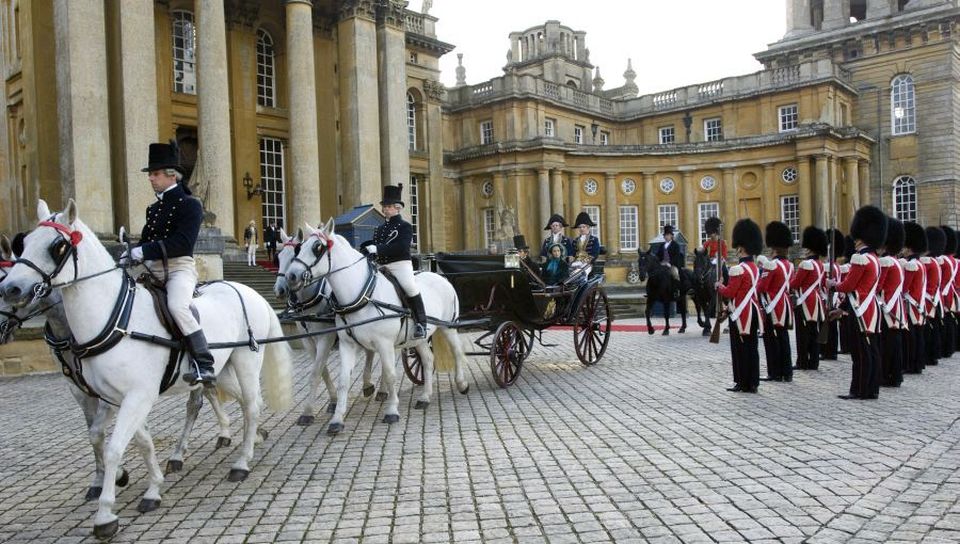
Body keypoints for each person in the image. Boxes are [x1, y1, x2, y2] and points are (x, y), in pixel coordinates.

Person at [126, 142, 215, 387]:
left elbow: (182, 243)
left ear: (171, 175)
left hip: (179, 269)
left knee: (177, 306)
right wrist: (130, 253)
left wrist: (143, 250)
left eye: (154, 174)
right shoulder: (153, 209)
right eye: (150, 175)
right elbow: (147, 241)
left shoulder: (190, 204)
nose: (150, 179)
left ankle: (204, 363)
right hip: (152, 271)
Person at [830, 205, 886, 400]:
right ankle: (870, 389)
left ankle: (860, 390)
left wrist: (833, 285)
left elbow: (848, 285)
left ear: (860, 237)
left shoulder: (860, 258)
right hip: (868, 308)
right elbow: (857, 288)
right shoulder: (874, 259)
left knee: (861, 354)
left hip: (861, 311)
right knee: (870, 351)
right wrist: (841, 308)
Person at [362, 184, 426, 339]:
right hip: (381, 266)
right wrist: (366, 248)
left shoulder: (405, 226)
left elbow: (402, 247)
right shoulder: (379, 229)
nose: (385, 209)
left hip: (399, 265)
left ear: (398, 208)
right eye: (384, 206)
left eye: (388, 206)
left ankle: (421, 324)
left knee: (410, 287)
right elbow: (375, 246)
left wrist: (378, 249)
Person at [716, 219, 764, 394]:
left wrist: (719, 286)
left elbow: (729, 293)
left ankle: (743, 382)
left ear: (741, 248)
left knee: (740, 349)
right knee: (752, 348)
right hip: (751, 310)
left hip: (741, 314)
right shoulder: (754, 268)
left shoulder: (738, 269)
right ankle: (753, 382)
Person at [757, 221, 794, 382]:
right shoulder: (790, 265)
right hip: (784, 305)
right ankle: (787, 371)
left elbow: (762, 287)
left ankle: (775, 372)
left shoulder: (771, 265)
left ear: (773, 248)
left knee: (771, 340)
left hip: (773, 306)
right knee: (783, 338)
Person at [791, 226, 827, 371]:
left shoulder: (806, 264)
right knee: (813, 332)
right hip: (816, 300)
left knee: (803, 333)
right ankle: (814, 361)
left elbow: (795, 283)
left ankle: (803, 361)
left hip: (805, 301)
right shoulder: (820, 265)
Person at [878, 217, 906, 387]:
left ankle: (887, 375)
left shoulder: (886, 261)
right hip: (895, 306)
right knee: (894, 343)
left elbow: (878, 285)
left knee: (887, 344)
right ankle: (895, 375)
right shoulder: (896, 261)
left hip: (886, 307)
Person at [901, 221, 928, 374]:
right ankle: (918, 364)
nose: (902, 250)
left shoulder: (911, 265)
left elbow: (904, 287)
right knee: (917, 335)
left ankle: (911, 365)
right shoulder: (920, 263)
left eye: (904, 248)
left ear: (909, 248)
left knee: (910, 337)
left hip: (911, 304)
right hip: (919, 303)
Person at [922, 226, 945, 367]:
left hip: (927, 298)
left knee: (929, 330)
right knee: (934, 328)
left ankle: (930, 356)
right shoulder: (935, 261)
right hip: (934, 297)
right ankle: (934, 355)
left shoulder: (928, 262)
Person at [821, 229, 845, 360]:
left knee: (829, 325)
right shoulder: (836, 265)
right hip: (833, 297)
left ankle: (829, 351)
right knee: (832, 326)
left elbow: (825, 283)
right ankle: (832, 351)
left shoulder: (829, 266)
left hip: (829, 297)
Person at [938, 225, 958, 359]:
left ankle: (946, 348)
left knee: (945, 322)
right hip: (952, 292)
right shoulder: (954, 260)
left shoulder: (943, 261)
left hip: (944, 292)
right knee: (950, 320)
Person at [569, 212, 601, 280]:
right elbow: (572, 252)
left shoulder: (594, 239)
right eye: (580, 227)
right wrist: (571, 258)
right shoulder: (575, 240)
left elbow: (595, 253)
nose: (581, 229)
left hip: (588, 264)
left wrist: (584, 261)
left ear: (588, 227)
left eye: (583, 227)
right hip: (576, 262)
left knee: (582, 273)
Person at [655, 224, 683, 297]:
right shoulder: (662, 245)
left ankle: (676, 290)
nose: (666, 237)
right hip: (662, 265)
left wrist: (669, 263)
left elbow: (676, 257)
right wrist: (660, 263)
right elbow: (658, 256)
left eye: (668, 235)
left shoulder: (675, 245)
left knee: (675, 273)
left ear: (671, 236)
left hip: (672, 265)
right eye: (665, 235)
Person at [702, 216, 728, 282]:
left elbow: (724, 256)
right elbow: (704, 255)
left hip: (720, 264)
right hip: (709, 264)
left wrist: (717, 260)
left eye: (711, 233)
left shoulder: (722, 243)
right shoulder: (706, 243)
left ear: (716, 232)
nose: (710, 235)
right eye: (709, 233)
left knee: (726, 272)